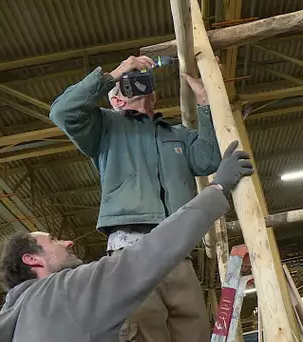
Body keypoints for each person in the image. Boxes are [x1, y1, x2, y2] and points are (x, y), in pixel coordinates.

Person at [0, 142, 253, 342]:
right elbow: (148, 254)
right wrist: (217, 189)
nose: (67, 242)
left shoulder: (11, 327)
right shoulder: (64, 292)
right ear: (32, 259)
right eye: (53, 240)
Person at [48, 55, 221, 341]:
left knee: (195, 332)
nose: (139, 86)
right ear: (115, 100)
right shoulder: (104, 128)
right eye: (128, 85)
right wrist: (114, 74)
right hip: (131, 250)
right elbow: (62, 112)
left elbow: (209, 159)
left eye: (144, 83)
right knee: (143, 330)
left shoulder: (177, 135)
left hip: (178, 252)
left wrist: (205, 102)